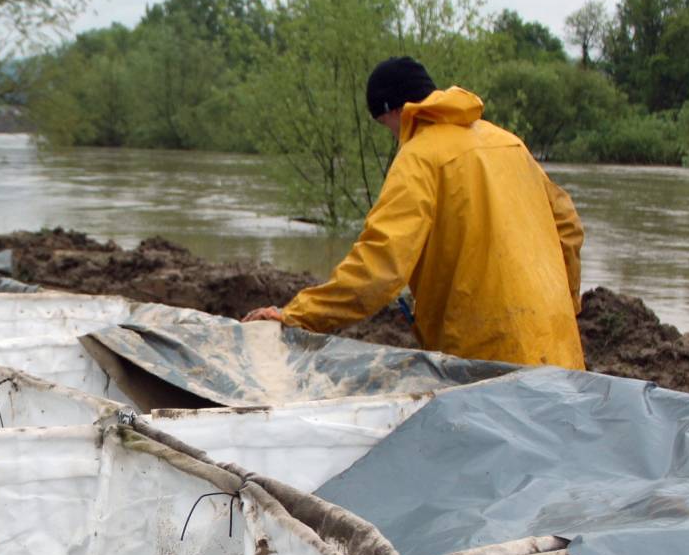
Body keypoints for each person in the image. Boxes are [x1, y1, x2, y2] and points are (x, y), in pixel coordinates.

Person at [244, 57, 586, 370]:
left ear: (393, 111)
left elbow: (380, 268)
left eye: (384, 125)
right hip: (560, 350)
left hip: (489, 361)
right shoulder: (509, 143)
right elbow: (568, 226)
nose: (393, 136)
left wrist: (296, 316)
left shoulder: (420, 157)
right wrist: (567, 306)